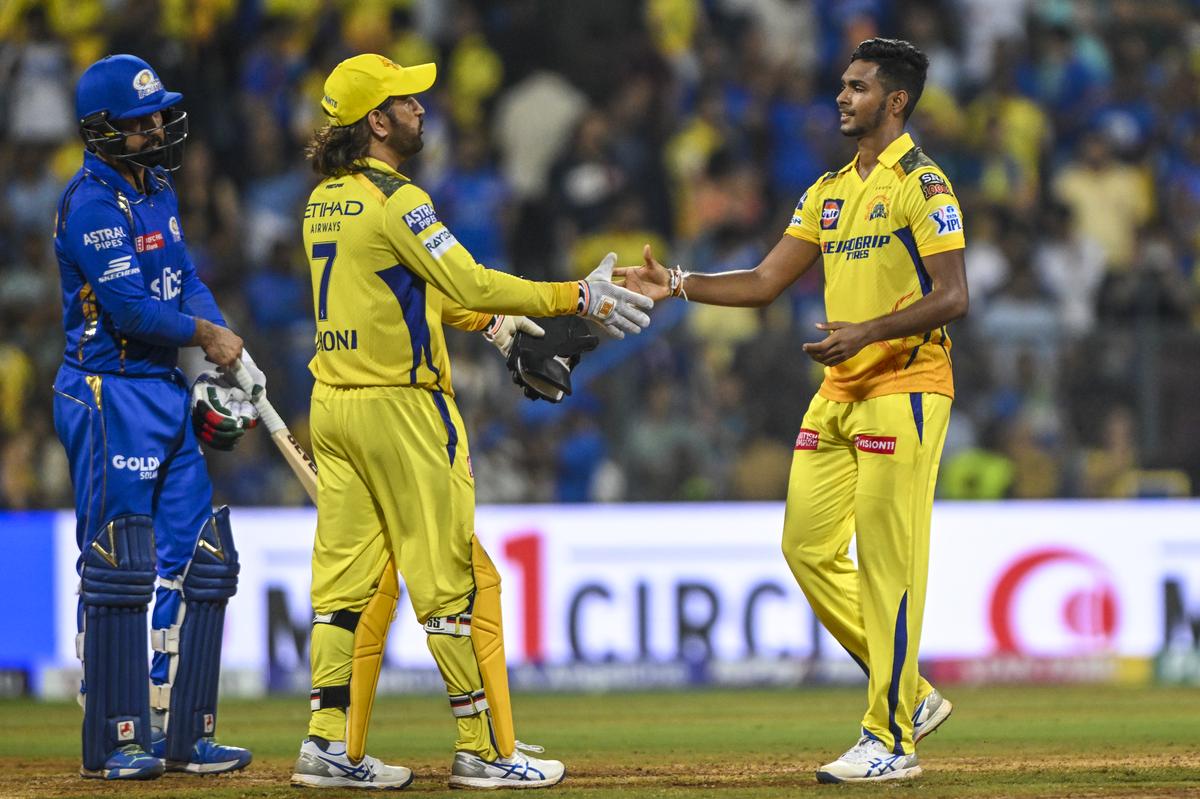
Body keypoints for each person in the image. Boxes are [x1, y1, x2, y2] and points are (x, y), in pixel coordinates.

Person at [291, 54, 652, 791]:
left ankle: (326, 742)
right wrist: (576, 296)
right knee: (450, 582)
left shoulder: (325, 198)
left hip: (333, 404)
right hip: (403, 408)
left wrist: (493, 328)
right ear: (376, 121)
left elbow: (403, 292)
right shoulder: (401, 199)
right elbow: (466, 279)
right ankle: (483, 750)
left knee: (342, 589)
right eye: (406, 100)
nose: (423, 108)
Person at [619, 38, 968, 783]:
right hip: (839, 388)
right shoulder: (830, 188)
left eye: (857, 87)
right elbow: (766, 279)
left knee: (887, 564)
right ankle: (911, 691)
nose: (841, 97)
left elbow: (954, 295)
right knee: (806, 548)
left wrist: (867, 331)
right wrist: (677, 282)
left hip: (905, 386)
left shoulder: (924, 184)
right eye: (842, 86)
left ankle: (891, 737)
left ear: (895, 102)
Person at [52, 54, 259, 780]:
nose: (155, 130)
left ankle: (185, 730)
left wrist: (227, 339)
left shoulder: (157, 188)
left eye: (156, 116)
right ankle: (116, 734)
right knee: (119, 562)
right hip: (107, 390)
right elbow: (130, 308)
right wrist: (205, 337)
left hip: (163, 388)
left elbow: (183, 279)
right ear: (101, 129)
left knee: (204, 555)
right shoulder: (90, 205)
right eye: (139, 123)